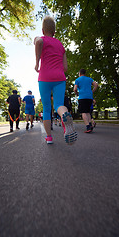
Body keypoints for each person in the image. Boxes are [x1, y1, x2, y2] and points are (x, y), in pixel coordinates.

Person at [34, 16, 77, 144]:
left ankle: (49, 137)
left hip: (45, 77)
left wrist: (37, 63)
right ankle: (65, 115)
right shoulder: (60, 44)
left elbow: (38, 43)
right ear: (54, 31)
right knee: (59, 105)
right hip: (59, 77)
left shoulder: (40, 39)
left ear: (42, 30)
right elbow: (65, 67)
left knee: (47, 108)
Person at [74, 69, 98, 133]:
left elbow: (75, 89)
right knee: (88, 112)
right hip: (89, 97)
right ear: (85, 73)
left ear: (79, 73)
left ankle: (88, 127)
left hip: (82, 97)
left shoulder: (77, 80)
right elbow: (96, 85)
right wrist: (92, 91)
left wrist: (77, 94)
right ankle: (90, 124)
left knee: (83, 112)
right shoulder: (89, 79)